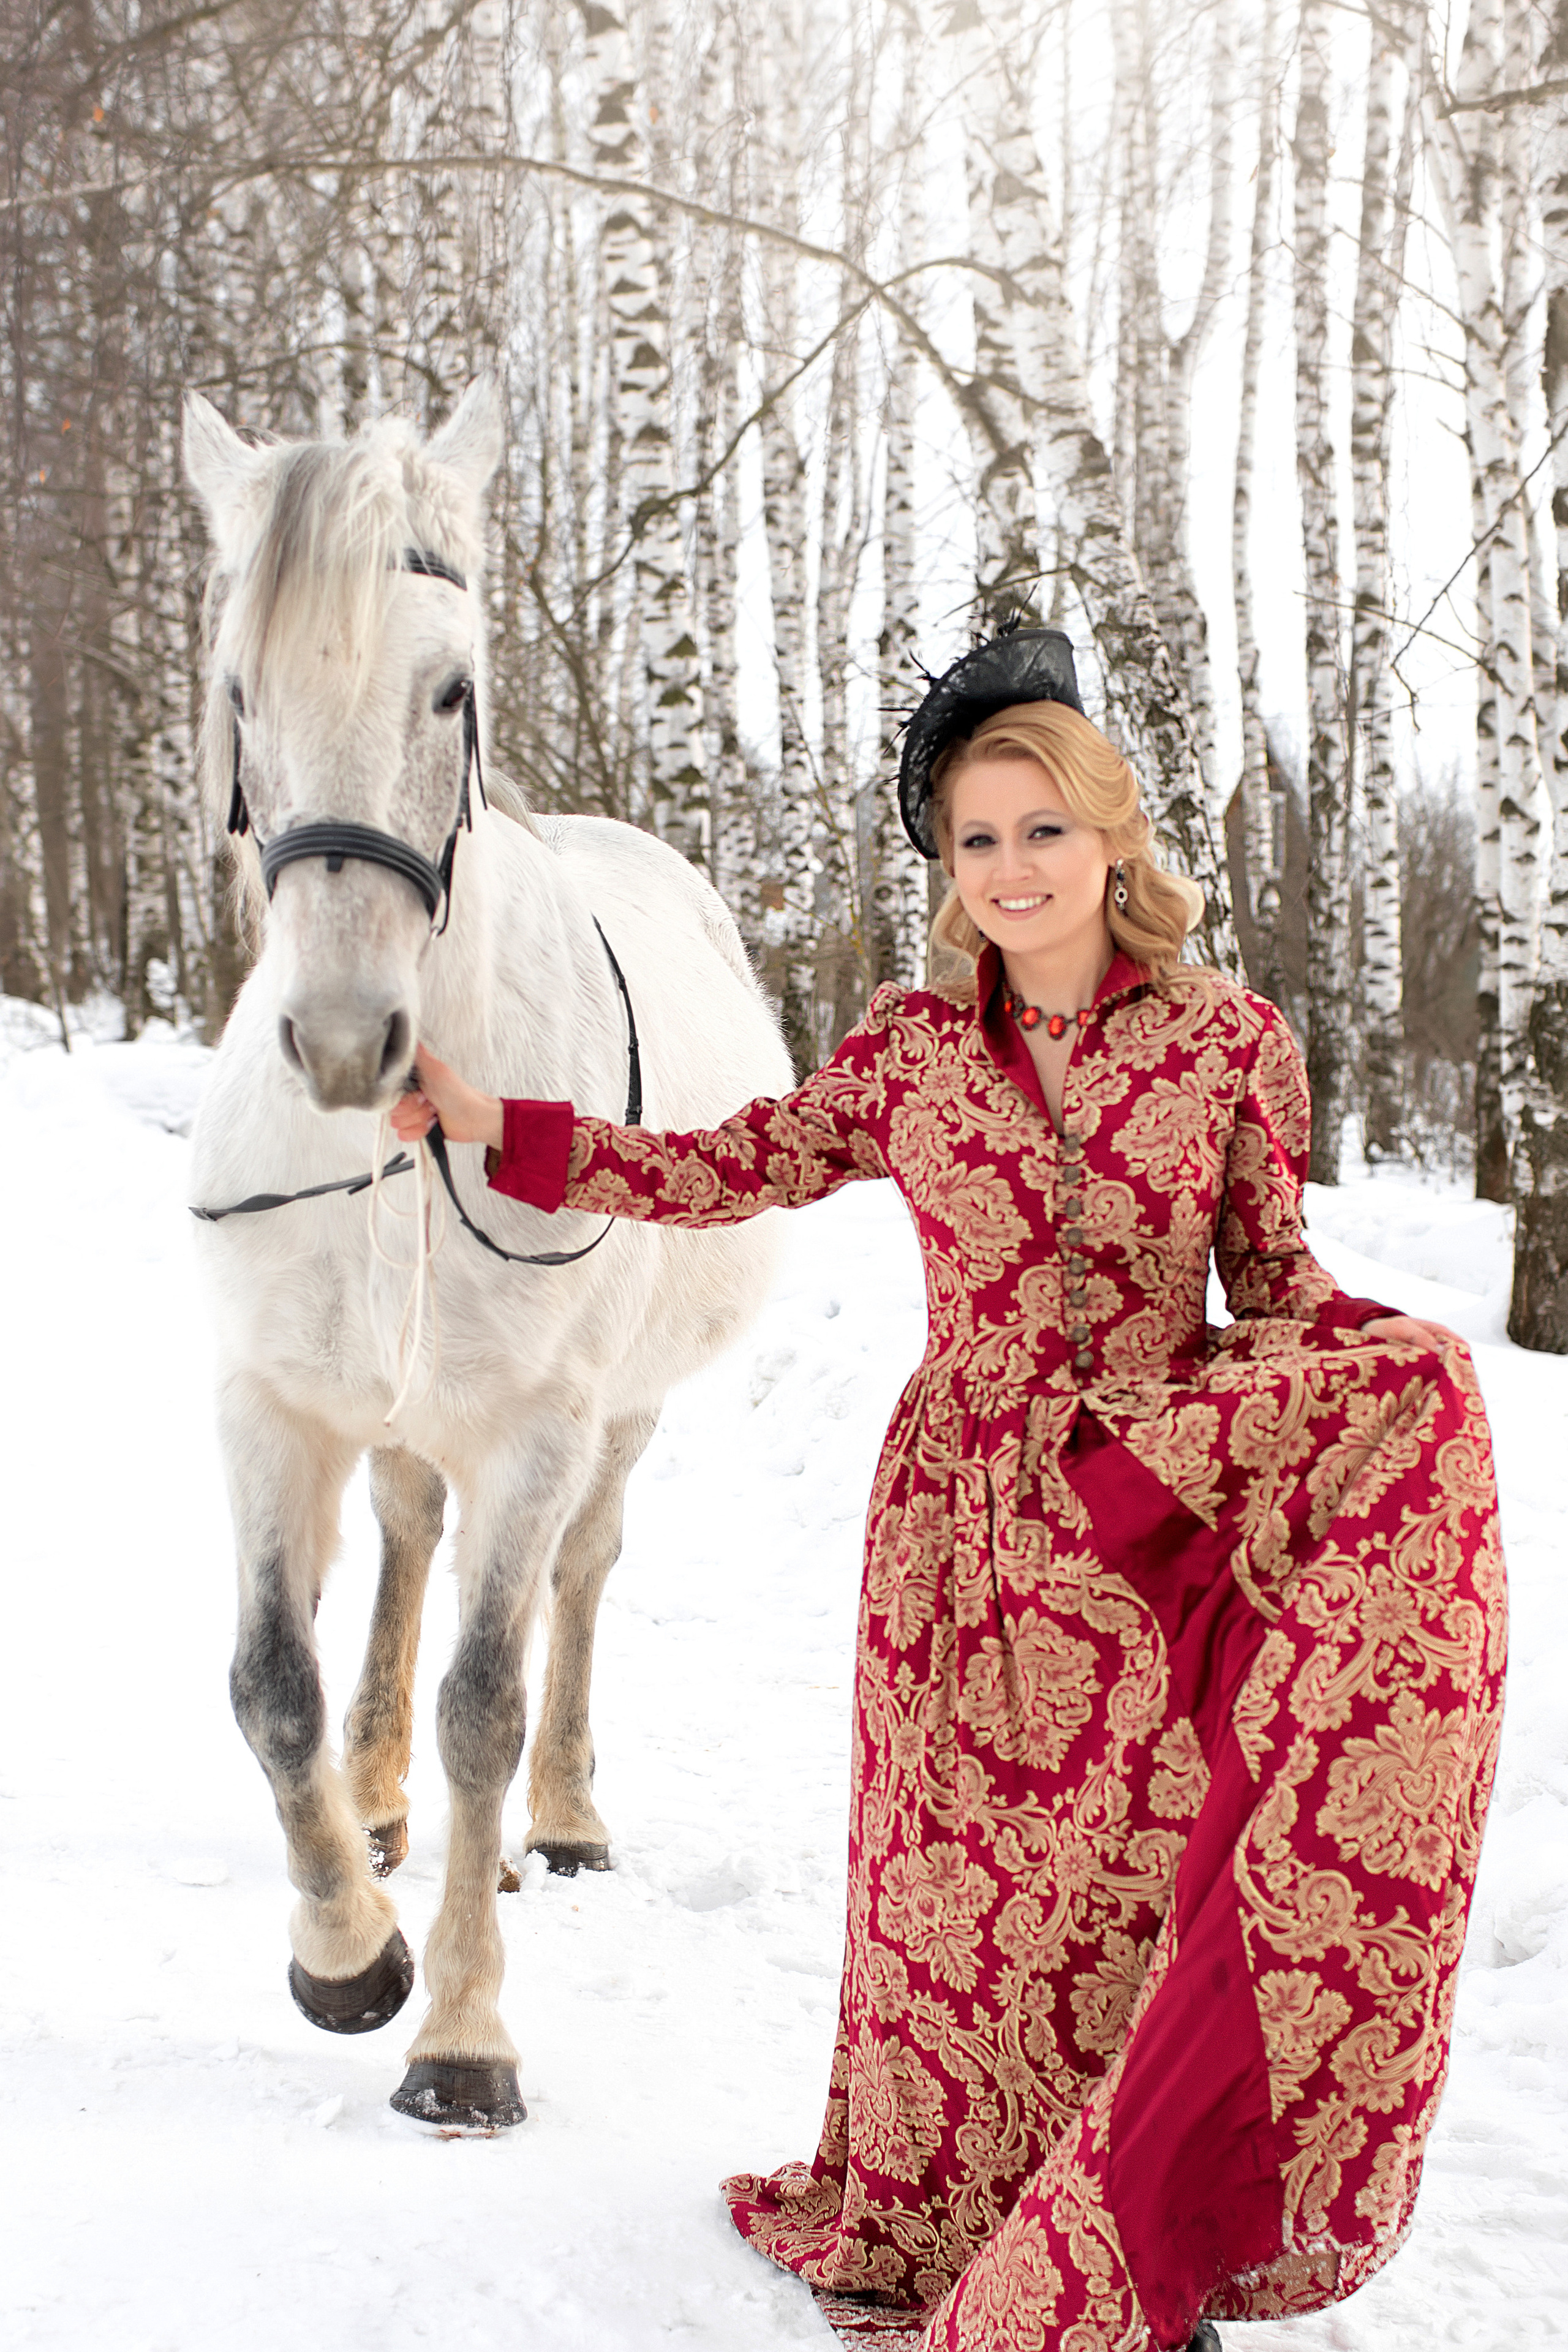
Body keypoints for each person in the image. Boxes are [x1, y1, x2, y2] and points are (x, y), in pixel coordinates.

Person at [393, 629, 1506, 2352]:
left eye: (1041, 829)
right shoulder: (911, 1053)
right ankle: (927, 2223)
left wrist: (1359, 1407)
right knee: (954, 1903)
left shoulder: (1231, 1043)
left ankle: (1124, 2229)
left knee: (1123, 1883)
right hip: (959, 1528)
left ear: (1114, 838)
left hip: (1143, 1518)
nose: (1009, 870)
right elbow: (723, 1168)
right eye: (974, 841)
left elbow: (1273, 1284)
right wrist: (498, 1127)